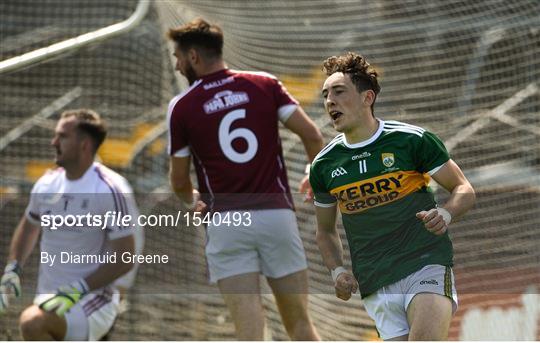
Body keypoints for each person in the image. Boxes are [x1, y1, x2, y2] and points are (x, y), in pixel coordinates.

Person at [166, 18, 323, 340]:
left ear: (193, 56)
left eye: (178, 57)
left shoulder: (182, 106)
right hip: (276, 216)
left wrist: (193, 200)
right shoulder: (264, 83)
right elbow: (312, 135)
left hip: (226, 222)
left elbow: (179, 181)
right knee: (300, 325)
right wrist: (313, 174)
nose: (178, 65)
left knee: (249, 334)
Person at [310, 52, 476, 340]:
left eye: (338, 92)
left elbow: (464, 189)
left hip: (425, 261)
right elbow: (324, 231)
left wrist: (446, 213)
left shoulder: (412, 140)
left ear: (367, 97)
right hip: (375, 280)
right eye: (325, 95)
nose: (329, 102)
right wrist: (337, 271)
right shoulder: (324, 165)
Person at [0, 109, 138, 340]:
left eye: (62, 136)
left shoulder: (109, 189)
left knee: (32, 323)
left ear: (84, 145)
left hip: (93, 300)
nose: (53, 142)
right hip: (48, 299)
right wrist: (13, 269)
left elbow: (125, 257)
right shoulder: (46, 184)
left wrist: (79, 288)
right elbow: (29, 226)